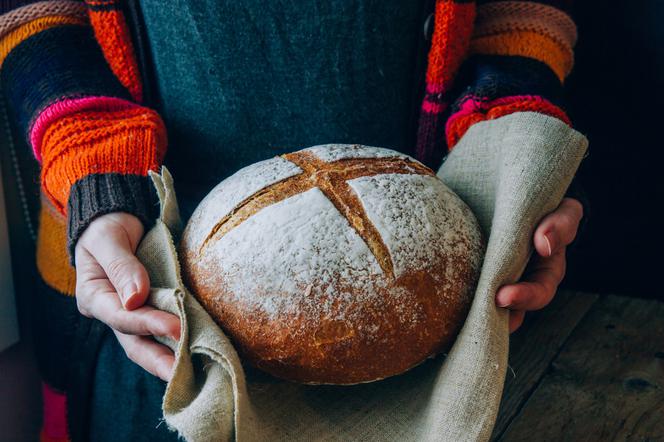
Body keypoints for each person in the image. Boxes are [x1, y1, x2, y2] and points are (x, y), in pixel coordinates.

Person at [0, 0, 586, 440]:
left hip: (437, 301)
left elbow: (517, 13)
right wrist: (97, 169)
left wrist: (512, 156)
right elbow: (31, 10)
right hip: (152, 309)